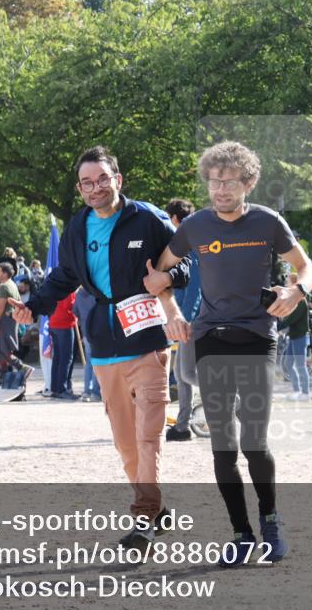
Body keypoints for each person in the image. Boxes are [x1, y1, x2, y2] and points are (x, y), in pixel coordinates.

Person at [147, 140, 312, 567]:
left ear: (249, 182)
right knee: (223, 445)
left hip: (258, 336)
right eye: (214, 181)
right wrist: (169, 309)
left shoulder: (268, 222)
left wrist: (297, 292)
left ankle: (271, 522)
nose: (220, 189)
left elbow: (306, 267)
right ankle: (240, 534)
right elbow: (158, 273)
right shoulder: (196, 226)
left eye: (229, 181)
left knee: (255, 442)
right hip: (210, 339)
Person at [12, 145, 190, 550]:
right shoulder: (78, 226)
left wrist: (169, 279)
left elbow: (185, 260)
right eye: (87, 183)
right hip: (104, 348)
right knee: (126, 444)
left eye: (102, 180)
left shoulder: (147, 218)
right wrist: (33, 306)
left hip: (147, 343)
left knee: (148, 438)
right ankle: (156, 507)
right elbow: (63, 277)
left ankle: (144, 520)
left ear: (118, 180)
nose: (96, 188)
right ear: (80, 188)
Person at [163, 198, 202, 441]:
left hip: (193, 318)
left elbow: (195, 284)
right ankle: (182, 424)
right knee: (181, 373)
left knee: (186, 374)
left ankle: (236, 400)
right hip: (189, 315)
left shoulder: (189, 240)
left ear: (175, 219)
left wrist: (185, 318)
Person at [0, 262, 34, 386]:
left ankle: (23, 368)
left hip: (5, 321)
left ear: (4, 273)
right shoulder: (10, 284)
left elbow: (0, 308)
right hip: (6, 320)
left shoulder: (5, 287)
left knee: (4, 349)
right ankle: (3, 375)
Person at [279, 273, 311, 401]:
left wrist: (277, 327)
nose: (286, 283)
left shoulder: (300, 301)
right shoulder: (294, 300)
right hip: (294, 336)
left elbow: (291, 319)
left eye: (288, 281)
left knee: (300, 365)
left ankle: (305, 393)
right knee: (288, 363)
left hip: (300, 337)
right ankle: (297, 391)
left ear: (294, 284)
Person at [72, 287, 102, 402]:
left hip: (85, 331)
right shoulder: (96, 292)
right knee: (97, 362)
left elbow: (75, 311)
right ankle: (95, 392)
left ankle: (86, 391)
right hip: (98, 331)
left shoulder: (79, 293)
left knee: (89, 363)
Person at [48, 292, 78, 400]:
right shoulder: (69, 290)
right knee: (66, 358)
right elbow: (69, 306)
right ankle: (62, 389)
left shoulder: (57, 286)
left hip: (54, 322)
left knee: (58, 358)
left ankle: (55, 388)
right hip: (64, 324)